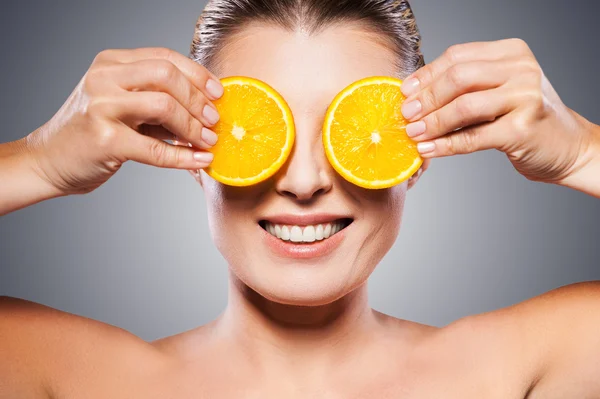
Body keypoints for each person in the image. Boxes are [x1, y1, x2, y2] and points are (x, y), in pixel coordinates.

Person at [1, 0, 599, 397]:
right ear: (192, 150)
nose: (305, 179)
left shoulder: (512, 370)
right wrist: (38, 160)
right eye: (263, 135)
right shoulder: (82, 379)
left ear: (414, 157)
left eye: (348, 134)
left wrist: (582, 154)